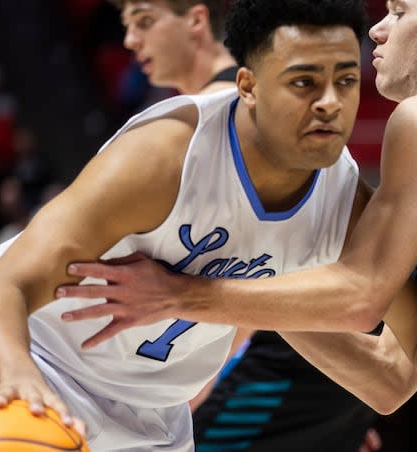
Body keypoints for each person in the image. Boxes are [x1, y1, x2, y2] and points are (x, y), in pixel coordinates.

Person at [60, 0, 417, 451]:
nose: (377, 31)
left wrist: (180, 295)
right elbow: (402, 371)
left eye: (398, 11)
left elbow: (361, 294)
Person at [0, 0, 417, 450]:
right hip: (39, 360)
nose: (330, 103)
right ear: (249, 86)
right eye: (305, 83)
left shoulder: (346, 200)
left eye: (346, 81)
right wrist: (17, 381)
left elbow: (397, 378)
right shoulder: (165, 155)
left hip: (153, 419)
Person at [112, 0, 384, 449]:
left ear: (197, 21)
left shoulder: (220, 115)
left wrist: (168, 412)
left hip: (267, 353)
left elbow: (241, 282)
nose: (131, 40)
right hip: (303, 352)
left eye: (144, 22)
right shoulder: (220, 109)